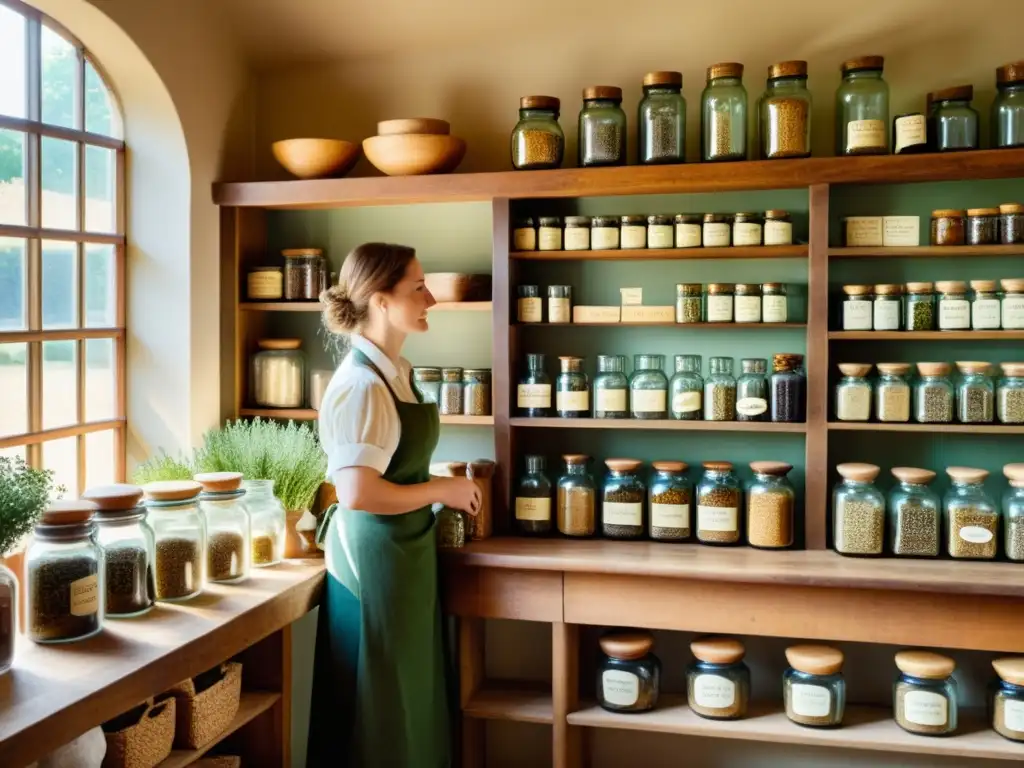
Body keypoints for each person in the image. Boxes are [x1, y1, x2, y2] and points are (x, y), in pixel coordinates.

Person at [308, 243, 481, 768]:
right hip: (373, 559)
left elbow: (389, 469)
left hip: (403, 553)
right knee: (382, 699)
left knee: (410, 691)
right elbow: (357, 493)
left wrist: (436, 485)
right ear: (381, 301)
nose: (430, 296)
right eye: (417, 287)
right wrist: (441, 490)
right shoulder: (361, 385)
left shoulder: (393, 371)